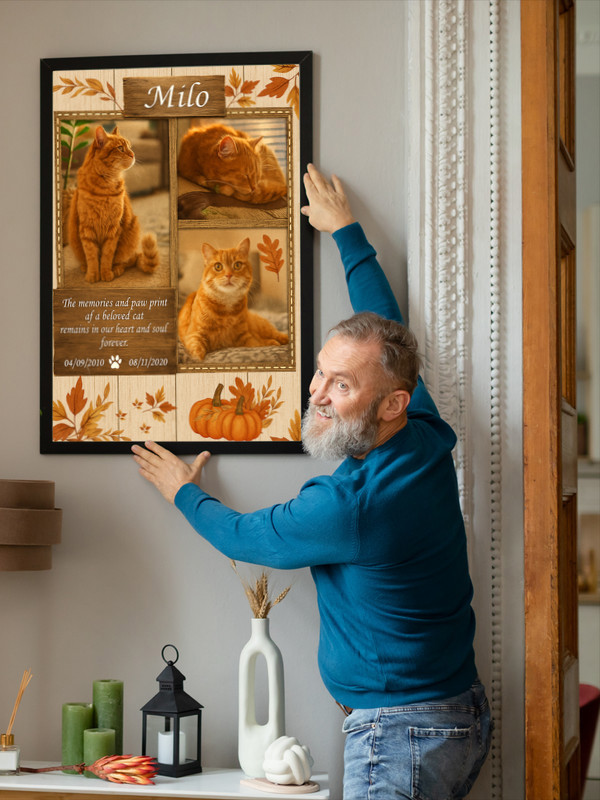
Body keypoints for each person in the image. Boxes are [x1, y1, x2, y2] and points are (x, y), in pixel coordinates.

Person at [132, 164, 492, 799]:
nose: (317, 395)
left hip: (401, 737)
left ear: (390, 405)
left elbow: (248, 537)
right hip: (451, 716)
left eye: (340, 386)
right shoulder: (425, 437)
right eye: (321, 373)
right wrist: (346, 232)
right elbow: (384, 330)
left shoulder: (349, 506)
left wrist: (182, 490)